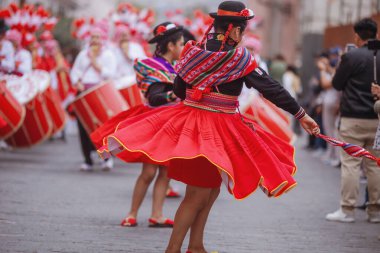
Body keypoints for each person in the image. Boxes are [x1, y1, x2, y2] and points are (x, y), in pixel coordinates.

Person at [98, 2, 319, 252]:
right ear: (234, 31)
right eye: (242, 31)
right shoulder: (239, 58)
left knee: (210, 190)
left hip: (192, 123)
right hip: (214, 129)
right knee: (197, 194)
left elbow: (180, 90)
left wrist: (200, 92)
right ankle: (173, 249)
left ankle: (196, 245)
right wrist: (301, 114)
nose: (242, 36)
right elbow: (270, 88)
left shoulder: (192, 52)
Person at [92, 22, 184, 227]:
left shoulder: (174, 67)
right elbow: (155, 98)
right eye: (181, 44)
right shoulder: (155, 67)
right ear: (171, 46)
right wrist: (175, 94)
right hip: (156, 124)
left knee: (166, 172)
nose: (183, 47)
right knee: (149, 172)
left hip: (171, 124)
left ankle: (157, 215)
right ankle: (132, 213)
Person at [326, 18, 380, 223]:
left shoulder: (351, 56)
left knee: (351, 164)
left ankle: (347, 209)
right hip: (377, 118)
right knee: (374, 166)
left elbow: (337, 84)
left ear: (357, 36)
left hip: (352, 119)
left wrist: (342, 62)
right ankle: (375, 212)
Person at [70, 28, 117, 171]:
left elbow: (110, 74)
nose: (95, 40)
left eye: (98, 37)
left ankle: (107, 159)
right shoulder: (83, 54)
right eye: (93, 37)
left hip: (100, 93)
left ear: (102, 38)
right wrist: (76, 81)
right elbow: (75, 71)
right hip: (83, 92)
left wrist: (95, 62)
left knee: (103, 128)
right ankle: (87, 160)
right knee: (83, 127)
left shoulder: (108, 54)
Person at [316, 53, 341, 166]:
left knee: (332, 131)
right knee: (329, 130)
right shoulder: (334, 72)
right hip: (331, 102)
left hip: (333, 103)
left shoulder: (337, 72)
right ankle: (331, 154)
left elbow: (325, 84)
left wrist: (322, 70)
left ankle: (335, 156)